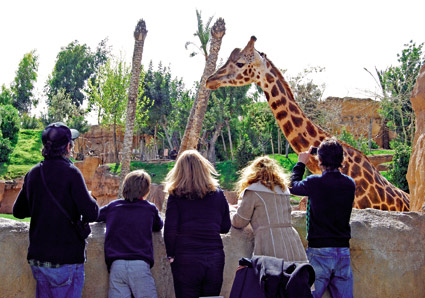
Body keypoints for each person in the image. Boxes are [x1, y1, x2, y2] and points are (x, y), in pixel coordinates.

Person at [13, 122, 99, 298]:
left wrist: (43, 207)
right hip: (64, 260)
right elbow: (92, 213)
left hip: (38, 259)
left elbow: (18, 211)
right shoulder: (71, 173)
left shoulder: (34, 173)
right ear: (68, 146)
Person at [290, 137, 356, 298]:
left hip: (319, 251)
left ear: (320, 160)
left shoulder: (314, 182)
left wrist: (301, 163)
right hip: (342, 251)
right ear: (341, 159)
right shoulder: (350, 183)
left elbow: (292, 186)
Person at [163, 149, 231, 298]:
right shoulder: (218, 193)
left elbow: (170, 229)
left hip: (186, 257)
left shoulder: (175, 195)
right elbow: (225, 227)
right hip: (214, 256)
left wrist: (171, 255)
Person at [97, 170, 163, 298]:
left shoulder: (114, 206)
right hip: (140, 265)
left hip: (117, 265)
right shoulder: (149, 208)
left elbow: (96, 215)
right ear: (146, 191)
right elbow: (158, 225)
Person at [231, 156, 308, 262]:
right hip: (292, 241)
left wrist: (232, 211)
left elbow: (239, 222)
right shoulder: (283, 191)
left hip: (269, 241)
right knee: (293, 275)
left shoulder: (253, 191)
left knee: (272, 274)